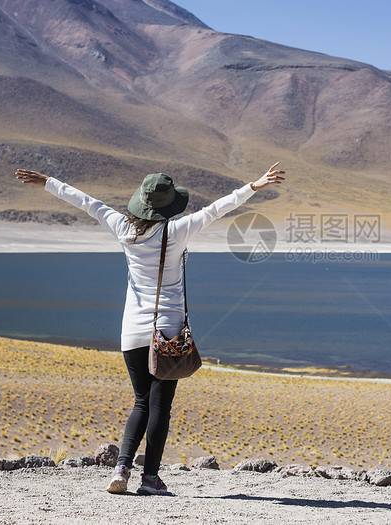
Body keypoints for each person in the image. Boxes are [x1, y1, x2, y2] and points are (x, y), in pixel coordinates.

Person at [14, 162, 285, 495]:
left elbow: (88, 203)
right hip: (167, 333)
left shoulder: (123, 228)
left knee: (140, 401)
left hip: (131, 332)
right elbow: (218, 208)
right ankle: (150, 479)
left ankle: (121, 470)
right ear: (170, 204)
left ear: (141, 202)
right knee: (160, 406)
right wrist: (254, 186)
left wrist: (48, 182)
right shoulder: (179, 230)